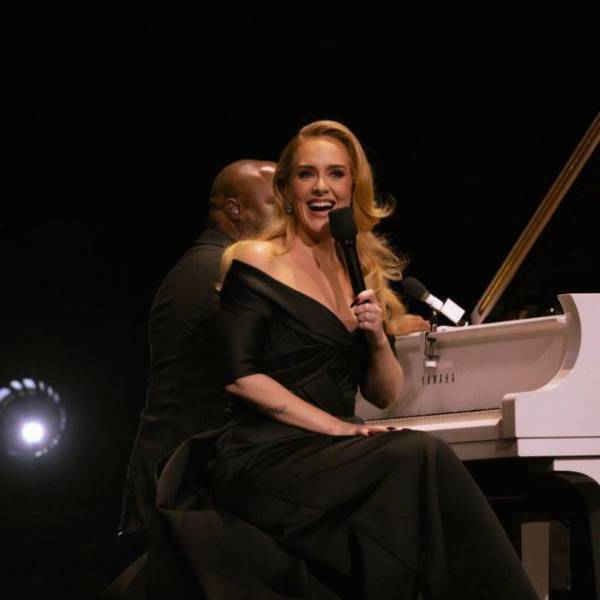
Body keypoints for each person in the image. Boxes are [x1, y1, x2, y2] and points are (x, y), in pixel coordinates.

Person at [142, 121, 538, 600]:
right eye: (306, 174)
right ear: (287, 189)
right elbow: (241, 378)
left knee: (416, 468)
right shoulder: (257, 259)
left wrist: (376, 337)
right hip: (263, 452)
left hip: (331, 451)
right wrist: (336, 428)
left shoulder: (358, 269)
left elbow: (385, 394)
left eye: (335, 174)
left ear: (353, 189)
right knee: (419, 455)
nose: (321, 187)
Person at [117, 159, 277, 552]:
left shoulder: (205, 263)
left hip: (178, 479)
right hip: (182, 489)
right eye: (277, 203)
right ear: (234, 208)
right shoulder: (220, 271)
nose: (289, 217)